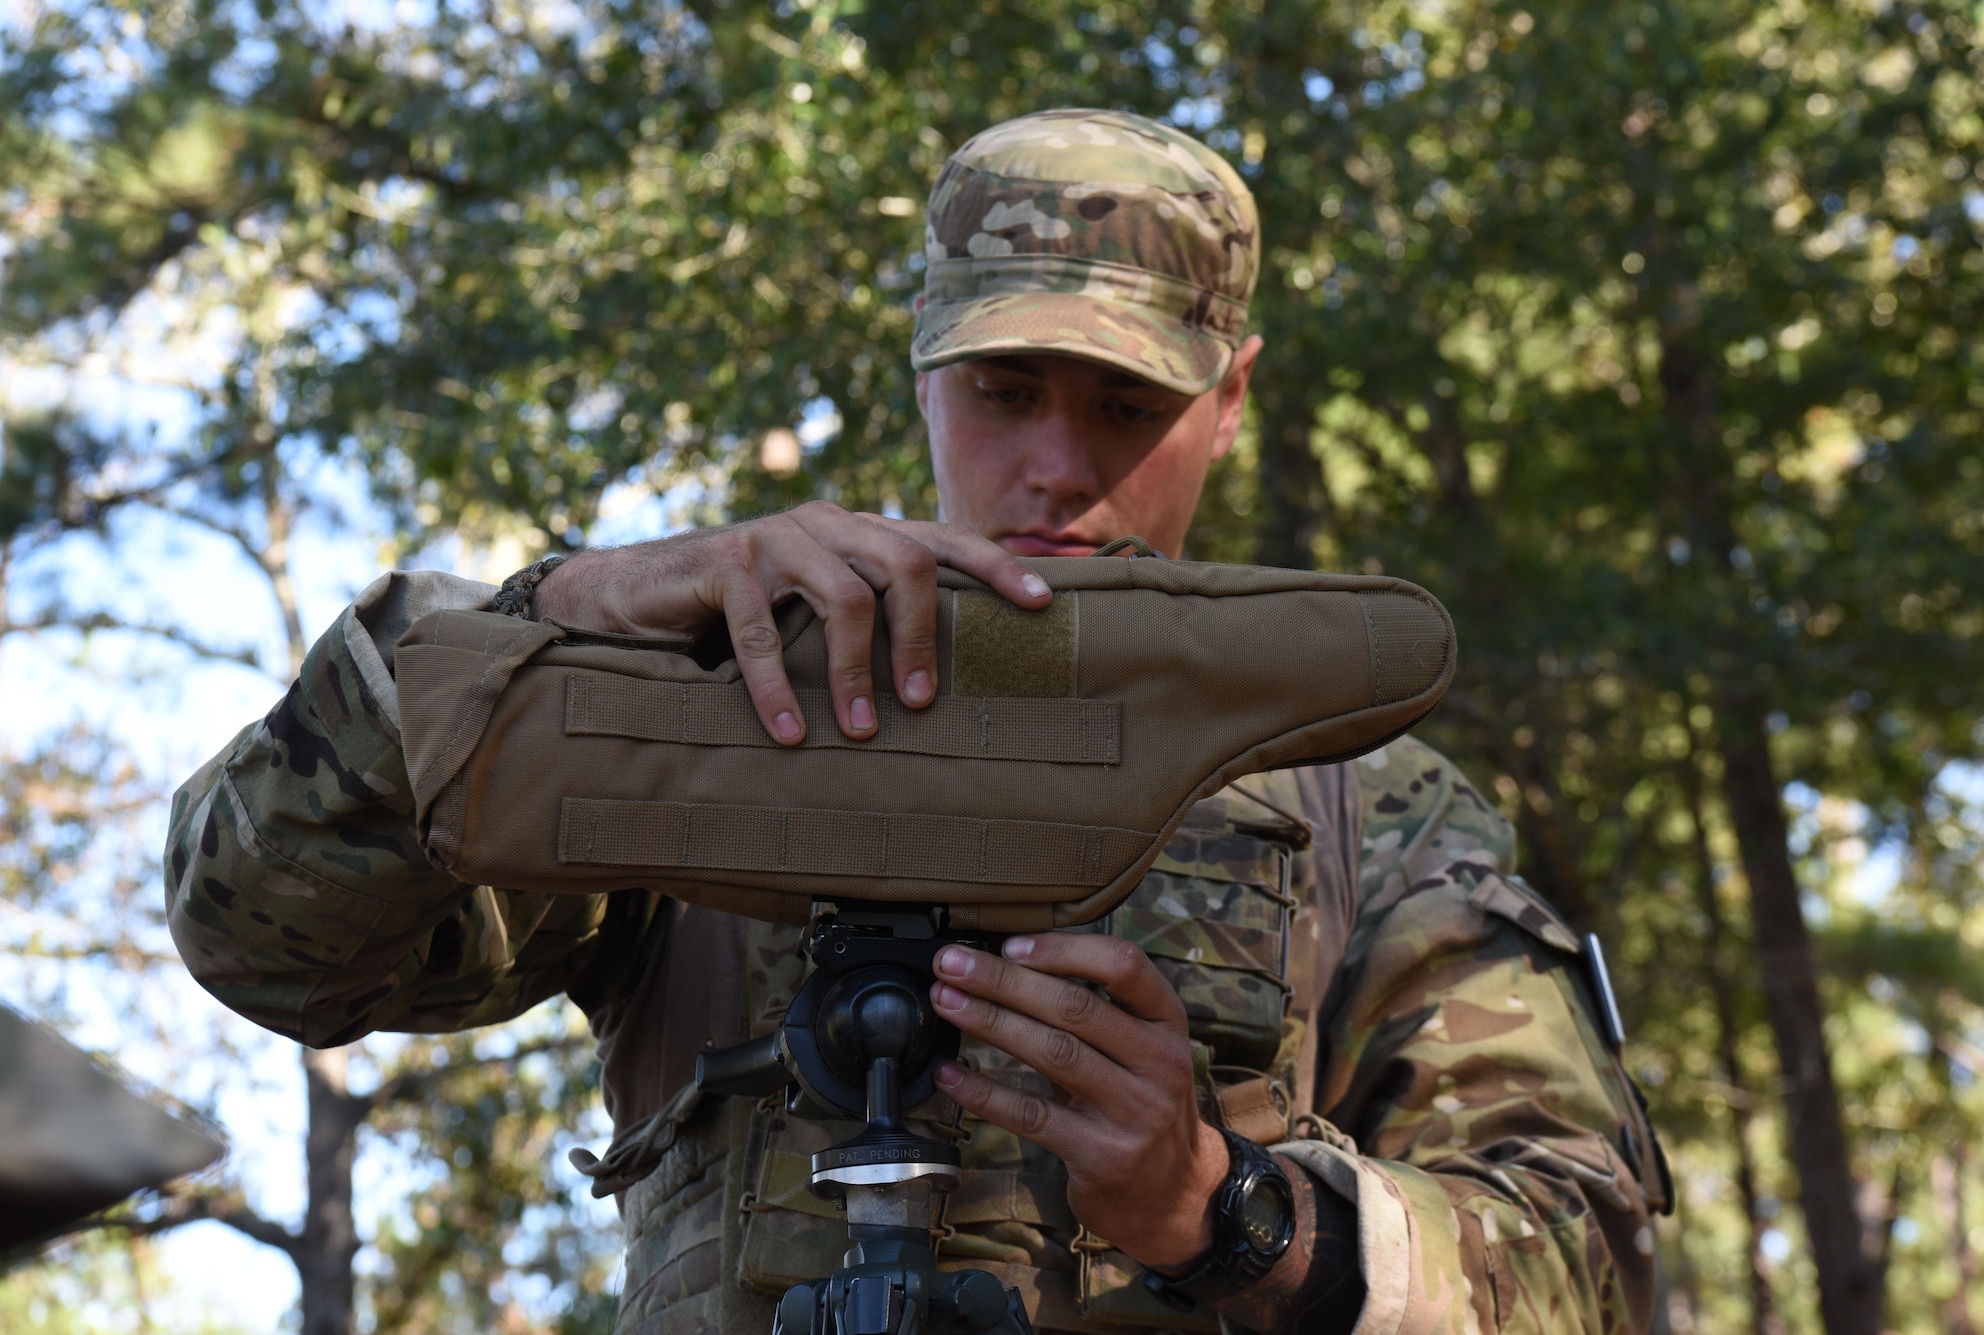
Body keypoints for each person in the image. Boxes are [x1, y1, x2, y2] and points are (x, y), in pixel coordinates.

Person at [165, 109, 1669, 1334]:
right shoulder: (699, 710)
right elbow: (258, 936)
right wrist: (552, 615)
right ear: (928, 369)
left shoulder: (1356, 795)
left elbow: (1585, 1260)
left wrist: (1224, 1208)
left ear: (1231, 398)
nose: (1057, 470)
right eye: (1006, 391)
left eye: (1127, 409)